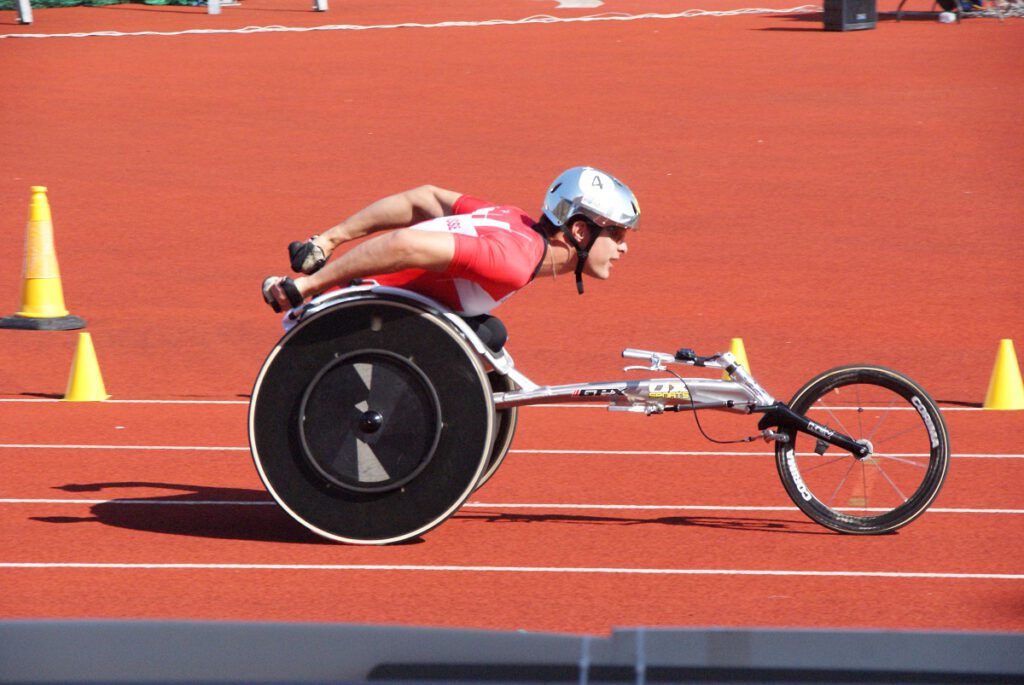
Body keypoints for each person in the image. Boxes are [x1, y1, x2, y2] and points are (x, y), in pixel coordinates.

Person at [261, 166, 640, 319]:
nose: (623, 248)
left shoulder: (514, 220)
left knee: (491, 336)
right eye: (618, 235)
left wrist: (328, 240)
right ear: (580, 232)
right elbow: (404, 245)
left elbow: (425, 198)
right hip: (345, 316)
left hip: (383, 309)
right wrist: (309, 286)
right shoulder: (512, 260)